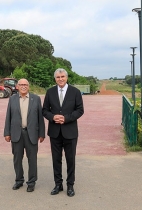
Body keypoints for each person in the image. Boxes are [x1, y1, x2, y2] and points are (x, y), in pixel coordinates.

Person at [42, 68, 84, 197]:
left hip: (70, 132)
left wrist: (66, 118)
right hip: (54, 132)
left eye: (62, 77)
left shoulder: (75, 92)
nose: (60, 79)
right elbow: (44, 110)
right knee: (56, 159)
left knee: (70, 159)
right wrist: (53, 117)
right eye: (58, 77)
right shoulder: (50, 92)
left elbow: (80, 110)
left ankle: (70, 185)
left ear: (66, 77)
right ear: (55, 79)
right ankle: (58, 184)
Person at [3, 78, 45, 192]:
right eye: (21, 84)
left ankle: (31, 182)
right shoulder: (12, 99)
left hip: (31, 134)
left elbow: (40, 118)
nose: (23, 86)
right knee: (17, 159)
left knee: (32, 159)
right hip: (16, 134)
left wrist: (42, 134)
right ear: (17, 86)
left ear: (29, 86)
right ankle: (19, 180)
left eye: (25, 84)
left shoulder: (35, 99)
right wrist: (7, 133)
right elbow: (8, 116)